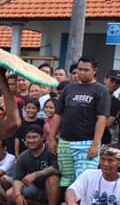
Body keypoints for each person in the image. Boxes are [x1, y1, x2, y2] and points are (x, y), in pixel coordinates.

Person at [47, 56, 110, 188]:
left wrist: (96, 143)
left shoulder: (101, 90)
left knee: (84, 183)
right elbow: (58, 115)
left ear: (94, 71)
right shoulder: (69, 89)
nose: (81, 72)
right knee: (66, 182)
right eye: (79, 69)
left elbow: (102, 118)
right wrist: (51, 138)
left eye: (86, 70)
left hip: (86, 143)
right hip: (65, 142)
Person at [5, 125, 60, 205]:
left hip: (54, 189)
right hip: (35, 189)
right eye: (28, 138)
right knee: (10, 194)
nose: (31, 140)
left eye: (34, 137)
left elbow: (57, 168)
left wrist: (36, 174)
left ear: (42, 138)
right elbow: (17, 178)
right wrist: (18, 195)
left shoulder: (51, 149)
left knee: (52, 178)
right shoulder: (23, 156)